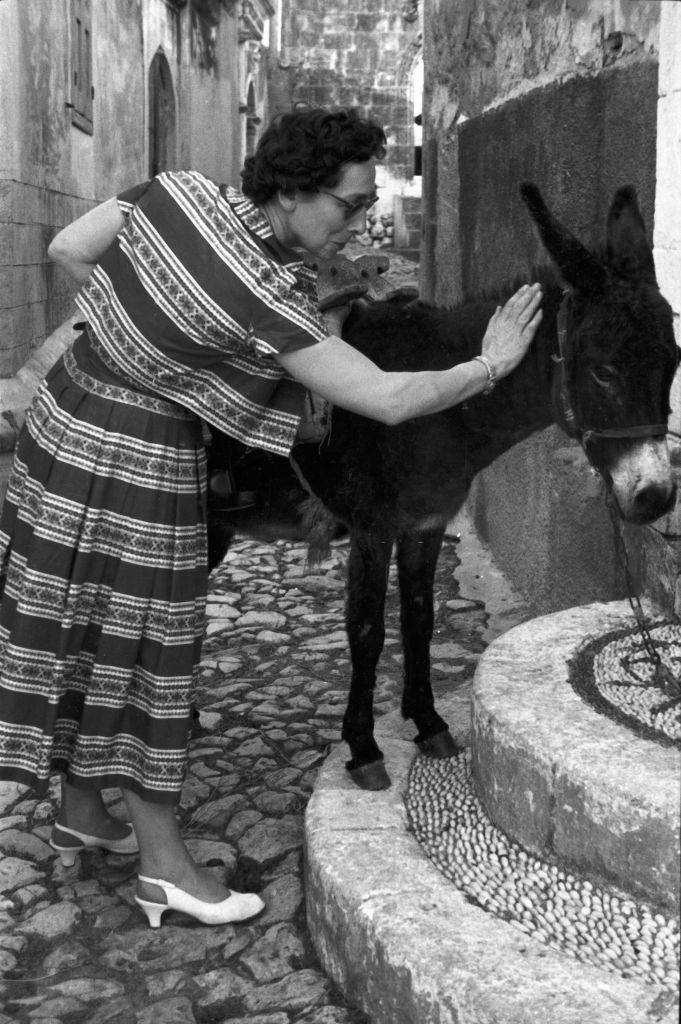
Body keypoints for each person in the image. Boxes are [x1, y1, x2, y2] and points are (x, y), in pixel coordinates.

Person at [0, 107, 542, 929]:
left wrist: (142, 341)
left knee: (83, 625)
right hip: (138, 464)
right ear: (291, 192)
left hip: (65, 420)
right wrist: (490, 364)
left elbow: (69, 249)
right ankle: (164, 868)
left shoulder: (174, 192)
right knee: (145, 648)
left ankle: (82, 807)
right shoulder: (264, 301)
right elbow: (390, 399)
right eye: (352, 204)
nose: (360, 220)